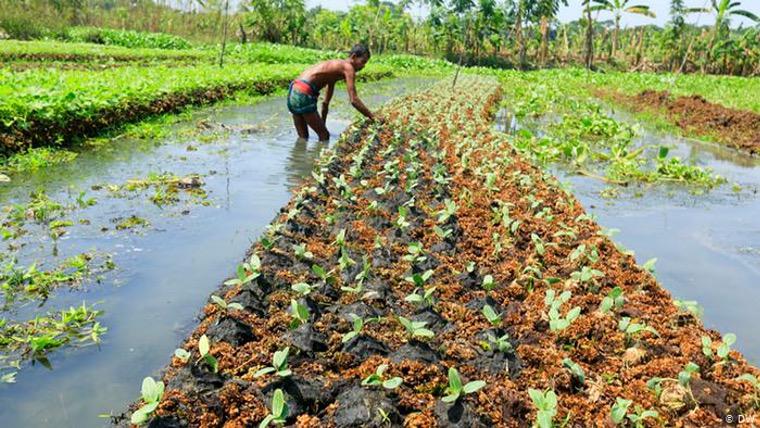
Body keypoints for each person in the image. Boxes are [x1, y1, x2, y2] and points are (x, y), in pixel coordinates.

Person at [287, 43, 377, 142]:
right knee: (324, 136)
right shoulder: (348, 68)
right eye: (363, 62)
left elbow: (325, 103)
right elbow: (354, 100)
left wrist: (322, 123)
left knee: (303, 138)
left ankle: (300, 157)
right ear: (354, 57)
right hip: (304, 92)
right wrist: (373, 117)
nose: (363, 66)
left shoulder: (334, 69)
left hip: (294, 90)